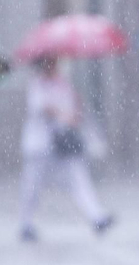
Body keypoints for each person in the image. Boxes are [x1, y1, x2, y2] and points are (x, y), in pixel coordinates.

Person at [18, 56, 114, 242]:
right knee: (32, 186)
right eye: (50, 62)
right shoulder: (37, 85)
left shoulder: (64, 84)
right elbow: (42, 108)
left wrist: (75, 109)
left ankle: (97, 217)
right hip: (40, 145)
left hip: (63, 144)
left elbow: (74, 112)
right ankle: (25, 224)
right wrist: (61, 114)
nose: (53, 65)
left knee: (79, 179)